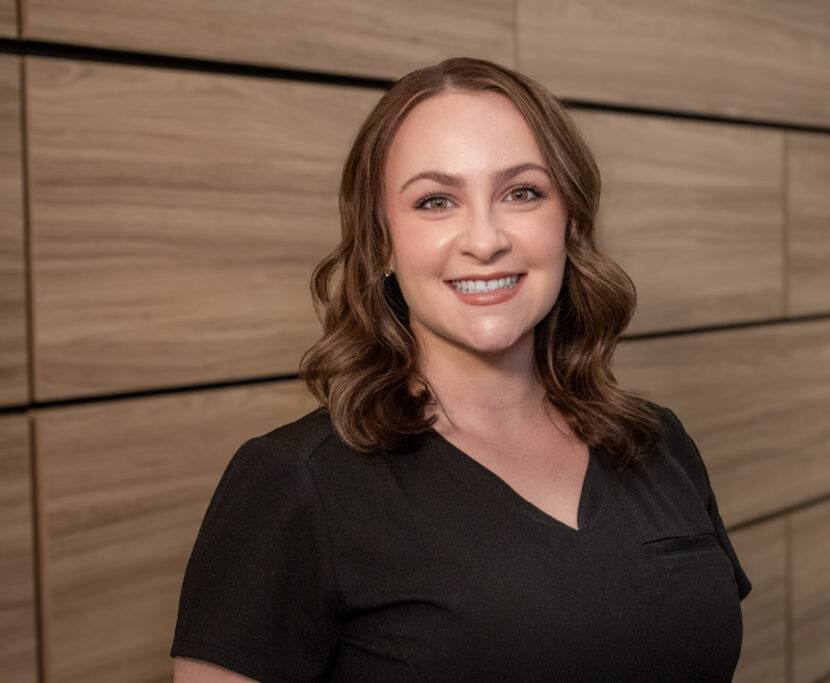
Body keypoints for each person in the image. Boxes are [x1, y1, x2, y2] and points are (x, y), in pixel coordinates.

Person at [171, 57, 750, 682]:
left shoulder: (658, 444)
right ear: (382, 243)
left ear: (570, 223)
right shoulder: (293, 483)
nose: (484, 238)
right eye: (436, 200)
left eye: (522, 192)